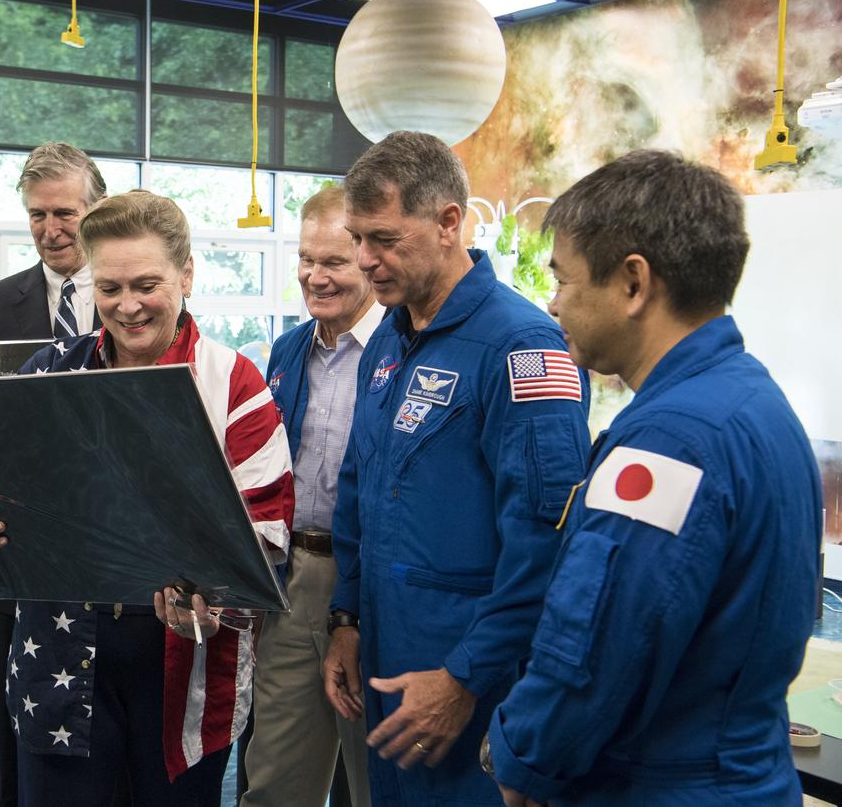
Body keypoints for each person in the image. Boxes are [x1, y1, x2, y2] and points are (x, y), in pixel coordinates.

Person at [0, 190, 295, 807]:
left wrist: (215, 599)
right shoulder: (48, 376)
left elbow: (267, 533)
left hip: (182, 653)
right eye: (109, 287)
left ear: (186, 275)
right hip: (62, 650)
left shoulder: (235, 382)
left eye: (146, 284)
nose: (127, 306)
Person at [485, 151, 822, 807]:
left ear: (634, 283)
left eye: (563, 280)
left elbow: (599, 643)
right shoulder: (757, 402)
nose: (553, 304)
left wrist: (520, 754)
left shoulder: (669, 440)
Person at [322, 131, 591, 806]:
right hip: (388, 660)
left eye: (382, 238)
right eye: (357, 238)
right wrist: (345, 617)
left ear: (448, 223)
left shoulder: (523, 346)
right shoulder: (390, 332)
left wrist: (465, 677)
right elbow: (360, 477)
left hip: (474, 679)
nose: (363, 260)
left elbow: (547, 539)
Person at [0, 141, 106, 807]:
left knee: (114, 700)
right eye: (38, 215)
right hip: (16, 550)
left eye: (66, 213)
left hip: (110, 548)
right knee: (13, 702)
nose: (51, 229)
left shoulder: (137, 297)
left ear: (96, 209)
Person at [240, 184, 378, 807]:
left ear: (371, 260)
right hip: (293, 579)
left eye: (334, 263)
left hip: (371, 587)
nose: (315, 277)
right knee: (274, 776)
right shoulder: (287, 351)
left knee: (375, 774)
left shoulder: (401, 351)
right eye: (305, 260)